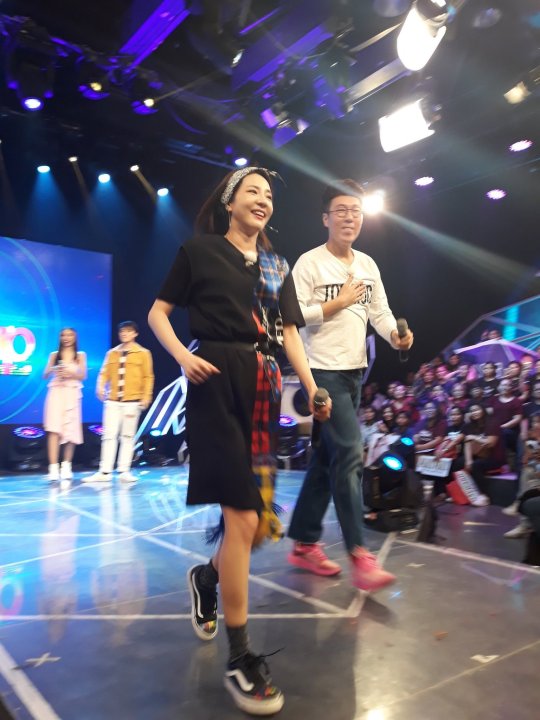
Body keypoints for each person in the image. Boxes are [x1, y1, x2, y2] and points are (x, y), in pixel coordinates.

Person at [147, 167, 330, 716]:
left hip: (263, 387)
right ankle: (241, 656)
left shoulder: (277, 266)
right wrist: (182, 358)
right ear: (230, 201)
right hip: (213, 381)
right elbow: (158, 314)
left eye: (269, 195)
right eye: (252, 191)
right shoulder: (199, 251)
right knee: (244, 517)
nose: (263, 200)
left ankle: (207, 577)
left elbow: (289, 333)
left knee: (250, 530)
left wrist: (312, 387)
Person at [286, 179, 413, 591]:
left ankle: (304, 543)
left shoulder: (368, 265)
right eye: (341, 210)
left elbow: (381, 313)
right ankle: (360, 553)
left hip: (355, 373)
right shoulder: (309, 263)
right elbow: (292, 316)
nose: (349, 218)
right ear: (325, 218)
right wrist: (337, 302)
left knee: (327, 460)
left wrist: (395, 336)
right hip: (321, 374)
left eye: (355, 211)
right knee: (350, 452)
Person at [86, 321, 154, 483]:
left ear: (135, 333)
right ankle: (105, 472)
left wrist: (146, 396)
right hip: (113, 400)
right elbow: (104, 373)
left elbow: (148, 376)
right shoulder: (112, 353)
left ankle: (124, 470)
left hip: (132, 401)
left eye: (128, 331)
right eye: (122, 331)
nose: (124, 334)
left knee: (127, 436)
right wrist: (100, 386)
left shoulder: (143, 353)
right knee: (109, 435)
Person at [43, 327, 87, 481]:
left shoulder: (80, 355)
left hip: (72, 393)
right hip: (56, 392)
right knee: (54, 429)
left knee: (71, 430)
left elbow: (83, 375)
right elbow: (45, 375)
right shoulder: (54, 355)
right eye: (63, 335)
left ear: (75, 337)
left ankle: (66, 466)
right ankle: (53, 468)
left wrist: (71, 373)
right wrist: (53, 368)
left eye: (70, 335)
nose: (66, 338)